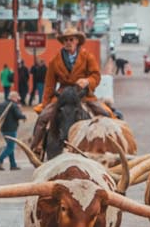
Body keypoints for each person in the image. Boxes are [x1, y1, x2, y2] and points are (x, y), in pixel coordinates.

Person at [26, 27, 103, 157]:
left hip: (82, 95)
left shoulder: (88, 57)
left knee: (105, 113)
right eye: (65, 40)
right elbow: (49, 85)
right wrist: (45, 104)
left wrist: (87, 81)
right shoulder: (54, 61)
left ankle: (108, 147)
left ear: (77, 41)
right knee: (43, 118)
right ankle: (37, 147)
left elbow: (96, 75)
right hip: (62, 95)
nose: (68, 42)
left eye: (71, 39)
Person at [0, 92, 26, 170]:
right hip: (11, 129)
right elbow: (18, 115)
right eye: (17, 98)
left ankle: (13, 165)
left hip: (3, 129)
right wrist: (23, 114)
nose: (18, 100)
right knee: (11, 147)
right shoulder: (14, 105)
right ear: (14, 97)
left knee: (9, 146)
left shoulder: (1, 105)